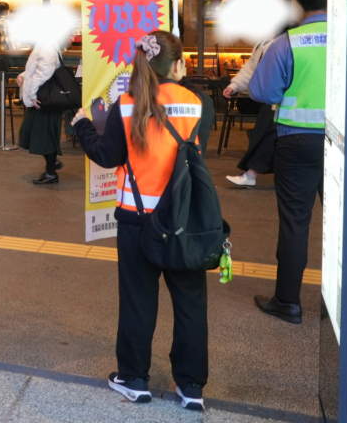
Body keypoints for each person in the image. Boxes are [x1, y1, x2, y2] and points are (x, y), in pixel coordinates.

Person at [71, 30, 212, 412]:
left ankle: (134, 379)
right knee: (190, 302)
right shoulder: (199, 104)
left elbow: (106, 155)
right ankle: (191, 386)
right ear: (178, 65)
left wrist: (83, 124)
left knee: (138, 300)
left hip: (137, 220)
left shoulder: (128, 104)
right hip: (185, 221)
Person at [248, 0, 328, 325]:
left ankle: (288, 302)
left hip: (296, 142)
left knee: (295, 223)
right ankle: (345, 304)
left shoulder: (287, 43)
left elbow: (262, 91)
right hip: (344, 145)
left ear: (300, 3)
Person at [223, 29, 285, 187]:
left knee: (267, 135)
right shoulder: (263, 43)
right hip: (271, 98)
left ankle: (251, 174)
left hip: (278, 98)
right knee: (268, 135)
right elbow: (250, 69)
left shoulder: (283, 41)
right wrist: (235, 85)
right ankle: (251, 174)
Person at [16, 39, 64, 185]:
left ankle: (51, 172)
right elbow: (38, 69)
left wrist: (31, 93)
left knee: (44, 136)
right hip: (42, 98)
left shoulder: (47, 44)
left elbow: (45, 71)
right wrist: (23, 76)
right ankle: (52, 164)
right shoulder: (45, 43)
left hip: (43, 98)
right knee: (35, 133)